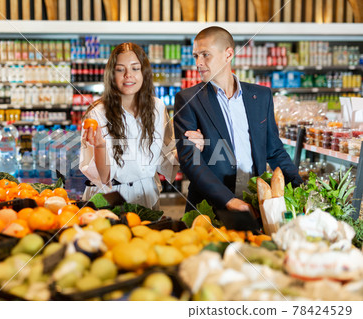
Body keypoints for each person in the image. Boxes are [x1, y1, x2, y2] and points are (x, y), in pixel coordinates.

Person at [173, 26, 303, 213]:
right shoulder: (188, 100)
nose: (199, 63)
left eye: (205, 55)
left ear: (228, 54)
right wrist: (228, 200)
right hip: (209, 205)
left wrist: (299, 188)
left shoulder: (261, 96)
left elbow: (274, 152)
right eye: (196, 56)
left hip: (255, 199)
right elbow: (190, 161)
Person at [80, 42, 203, 209]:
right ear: (111, 74)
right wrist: (100, 146)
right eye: (120, 69)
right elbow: (103, 177)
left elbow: (166, 157)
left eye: (135, 68)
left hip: (147, 195)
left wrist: (192, 146)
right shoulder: (96, 113)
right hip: (108, 198)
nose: (128, 75)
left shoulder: (157, 108)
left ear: (144, 72)